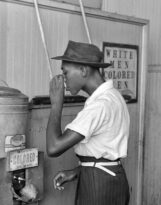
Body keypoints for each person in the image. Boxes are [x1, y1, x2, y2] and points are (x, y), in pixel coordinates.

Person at [46, 40, 130, 205]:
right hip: (107, 178)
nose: (64, 80)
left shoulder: (100, 105)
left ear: (83, 70)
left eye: (66, 72)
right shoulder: (112, 96)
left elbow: (53, 147)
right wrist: (78, 171)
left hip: (99, 185)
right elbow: (105, 151)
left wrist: (56, 105)